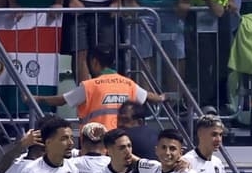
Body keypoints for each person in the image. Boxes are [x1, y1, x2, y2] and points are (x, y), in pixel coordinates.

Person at [32, 45, 166, 131]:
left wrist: (37, 98)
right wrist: (162, 98)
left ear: (94, 62)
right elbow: (149, 96)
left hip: (95, 142)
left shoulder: (90, 86)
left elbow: (62, 100)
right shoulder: (128, 83)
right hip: (122, 142)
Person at [186, 0, 240, 109]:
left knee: (224, 57)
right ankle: (203, 101)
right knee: (204, 58)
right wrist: (211, 4)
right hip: (202, 10)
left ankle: (221, 99)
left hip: (222, 9)